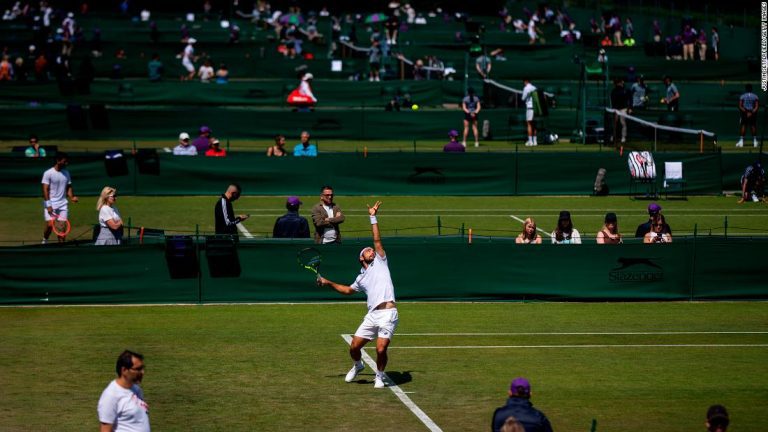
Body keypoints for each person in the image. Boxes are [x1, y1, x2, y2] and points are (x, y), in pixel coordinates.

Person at [317, 201, 398, 389]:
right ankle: (358, 365)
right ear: (362, 258)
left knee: (381, 348)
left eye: (372, 250)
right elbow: (347, 290)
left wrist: (373, 216)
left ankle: (379, 375)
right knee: (354, 347)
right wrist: (328, 282)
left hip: (388, 313)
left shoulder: (381, 261)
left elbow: (377, 240)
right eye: (367, 251)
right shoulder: (360, 278)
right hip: (372, 315)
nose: (372, 250)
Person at [97, 350, 150, 432]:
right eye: (138, 369)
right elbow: (105, 429)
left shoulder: (136, 389)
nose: (142, 372)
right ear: (124, 370)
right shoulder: (111, 395)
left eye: (142, 368)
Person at [41, 152, 78, 244]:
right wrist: (48, 205)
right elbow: (45, 190)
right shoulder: (48, 173)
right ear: (58, 161)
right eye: (64, 161)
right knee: (50, 225)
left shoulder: (66, 173)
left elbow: (68, 187)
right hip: (51, 203)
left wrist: (72, 197)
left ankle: (61, 246)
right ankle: (45, 240)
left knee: (61, 228)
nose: (66, 163)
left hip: (63, 204)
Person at [610, 78, 631, 144]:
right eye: (618, 82)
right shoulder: (613, 91)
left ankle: (623, 137)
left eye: (621, 82)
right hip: (616, 110)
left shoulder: (625, 90)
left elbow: (629, 100)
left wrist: (629, 108)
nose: (621, 83)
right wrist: (614, 110)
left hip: (623, 109)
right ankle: (613, 136)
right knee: (615, 124)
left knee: (623, 123)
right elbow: (613, 102)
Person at [521, 78, 538, 146]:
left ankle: (530, 141)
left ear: (525, 81)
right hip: (536, 108)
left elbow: (523, 98)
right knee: (534, 124)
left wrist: (527, 95)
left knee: (529, 124)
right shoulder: (534, 87)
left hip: (530, 108)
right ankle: (535, 141)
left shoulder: (526, 88)